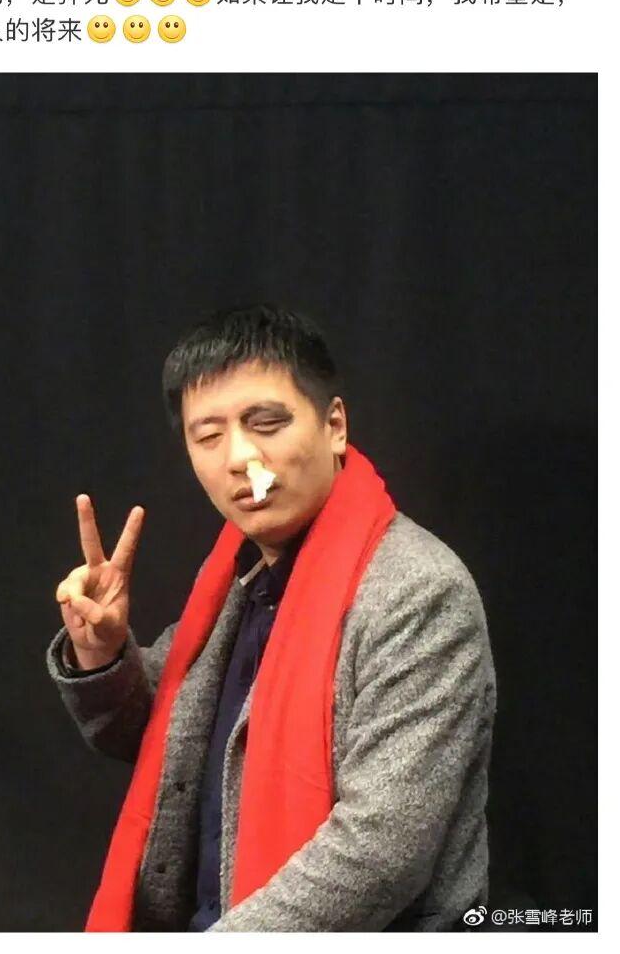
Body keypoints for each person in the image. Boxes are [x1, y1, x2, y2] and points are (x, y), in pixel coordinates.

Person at [46, 303, 496, 932]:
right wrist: (101, 652)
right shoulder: (240, 579)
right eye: (209, 437)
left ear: (334, 426)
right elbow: (165, 745)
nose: (241, 458)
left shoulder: (418, 591)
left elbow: (382, 853)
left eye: (266, 423)